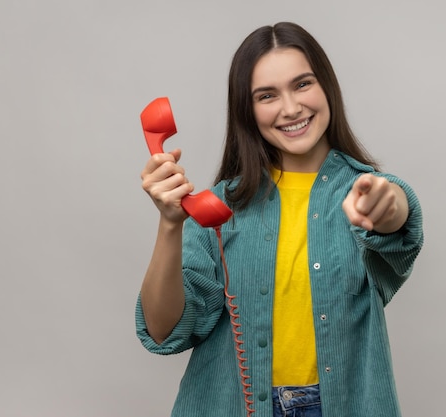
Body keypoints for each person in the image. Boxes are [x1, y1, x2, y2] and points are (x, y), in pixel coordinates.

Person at [136, 22, 424, 417]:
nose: (290, 108)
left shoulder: (366, 190)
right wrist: (170, 224)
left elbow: (397, 220)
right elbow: (164, 331)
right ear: (248, 110)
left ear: (327, 87)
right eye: (267, 95)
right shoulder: (222, 207)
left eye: (303, 84)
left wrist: (387, 204)